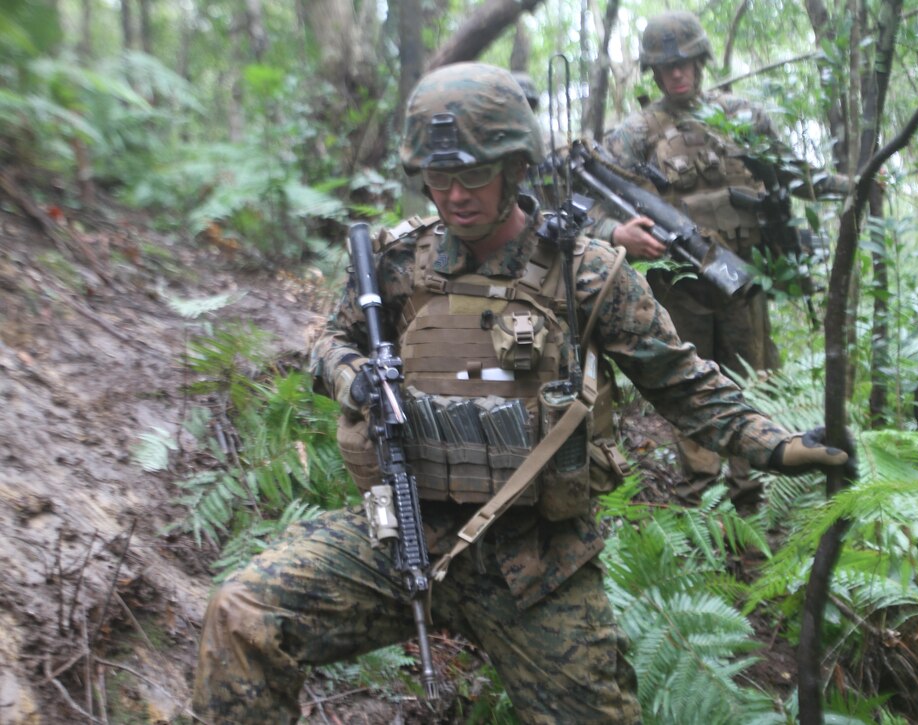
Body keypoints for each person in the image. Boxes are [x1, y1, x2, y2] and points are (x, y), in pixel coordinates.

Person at [190, 62, 849, 724]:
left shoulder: (585, 274)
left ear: (515, 166)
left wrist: (781, 446)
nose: (454, 195)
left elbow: (685, 384)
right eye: (439, 177)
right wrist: (350, 376)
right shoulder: (397, 263)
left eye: (473, 174)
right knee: (241, 614)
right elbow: (329, 342)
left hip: (535, 564)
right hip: (400, 532)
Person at [590, 10, 849, 500]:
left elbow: (792, 175)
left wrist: (852, 184)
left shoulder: (742, 118)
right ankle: (700, 492)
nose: (677, 74)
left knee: (753, 376)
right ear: (653, 72)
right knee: (690, 382)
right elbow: (587, 208)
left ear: (702, 61)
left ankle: (752, 488)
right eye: (666, 67)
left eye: (686, 62)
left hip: (742, 279)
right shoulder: (634, 134)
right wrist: (619, 233)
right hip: (678, 287)